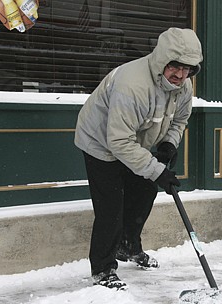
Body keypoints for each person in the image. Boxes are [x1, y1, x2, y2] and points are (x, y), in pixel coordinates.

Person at [74, 27, 203, 290]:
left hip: (135, 142)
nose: (180, 75)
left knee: (144, 191)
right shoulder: (133, 84)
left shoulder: (183, 86)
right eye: (175, 67)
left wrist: (169, 142)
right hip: (101, 142)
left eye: (187, 68)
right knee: (110, 207)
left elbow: (180, 119)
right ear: (162, 60)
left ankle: (128, 245)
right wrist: (157, 170)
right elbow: (118, 142)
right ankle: (103, 269)